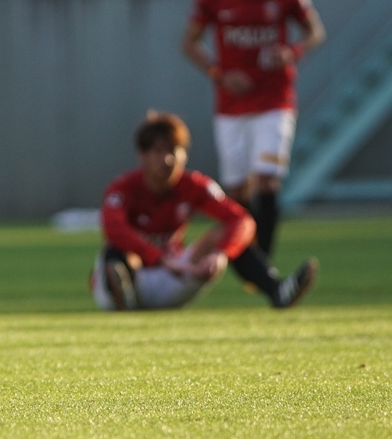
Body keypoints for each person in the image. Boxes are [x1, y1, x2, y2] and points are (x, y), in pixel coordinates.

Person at [181, 0, 325, 261]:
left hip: (275, 102)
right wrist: (218, 73)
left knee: (266, 180)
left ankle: (264, 261)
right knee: (236, 190)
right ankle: (247, 257)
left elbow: (315, 31)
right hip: (231, 106)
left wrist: (292, 51)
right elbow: (189, 41)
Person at [91, 111, 318, 312]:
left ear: (185, 154)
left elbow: (241, 219)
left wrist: (220, 254)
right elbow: (113, 228)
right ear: (142, 155)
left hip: (174, 275)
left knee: (225, 235)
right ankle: (122, 296)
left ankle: (277, 290)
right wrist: (159, 258)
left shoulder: (194, 185)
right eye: (158, 151)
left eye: (173, 150)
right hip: (137, 275)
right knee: (115, 252)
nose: (167, 159)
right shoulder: (123, 187)